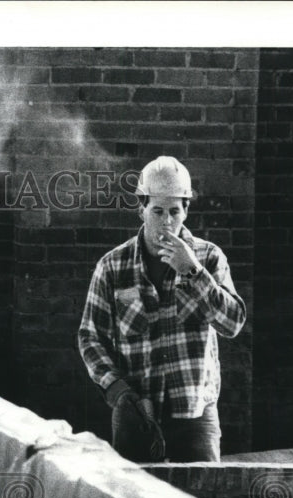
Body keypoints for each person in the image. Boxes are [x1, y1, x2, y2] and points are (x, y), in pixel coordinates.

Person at [77, 156, 246, 462]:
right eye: (157, 211)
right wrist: (117, 388)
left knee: (203, 491)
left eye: (174, 211)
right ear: (141, 209)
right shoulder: (113, 266)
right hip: (137, 411)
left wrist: (193, 272)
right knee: (131, 492)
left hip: (195, 413)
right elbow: (90, 337)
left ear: (186, 211)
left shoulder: (209, 257)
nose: (167, 221)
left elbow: (232, 324)